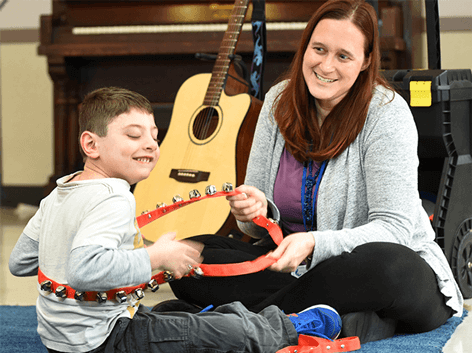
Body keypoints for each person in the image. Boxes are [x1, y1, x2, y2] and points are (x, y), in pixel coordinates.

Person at [169, 0, 464, 344]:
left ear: (366, 61)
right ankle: (333, 316)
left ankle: (255, 321)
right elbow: (252, 227)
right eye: (319, 49)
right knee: (189, 257)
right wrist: (255, 209)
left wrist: (313, 243)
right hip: (295, 270)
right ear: (305, 46)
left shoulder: (387, 113)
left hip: (382, 270)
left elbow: (394, 229)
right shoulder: (278, 100)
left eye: (343, 56)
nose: (326, 65)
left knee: (386, 266)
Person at [9, 87, 343, 353]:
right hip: (105, 340)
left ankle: (221, 318)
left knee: (173, 309)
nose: (151, 145)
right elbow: (84, 269)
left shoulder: (60, 192)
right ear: (90, 144)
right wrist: (156, 256)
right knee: (223, 333)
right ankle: (286, 326)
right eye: (134, 135)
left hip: (60, 340)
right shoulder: (112, 197)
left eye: (155, 135)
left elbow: (20, 262)